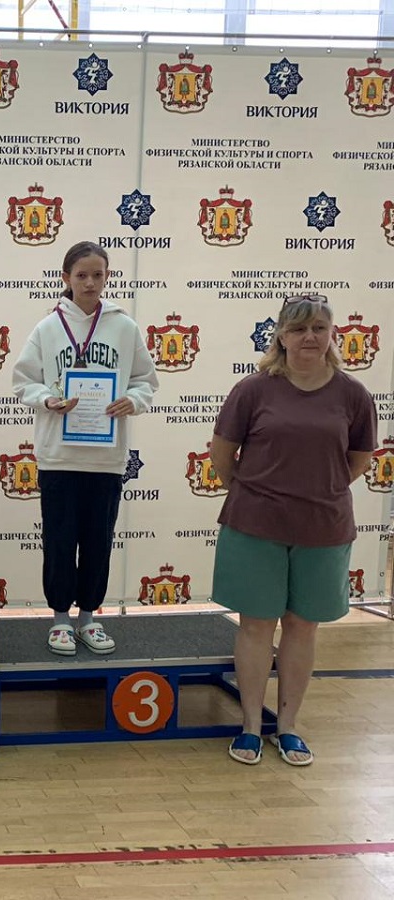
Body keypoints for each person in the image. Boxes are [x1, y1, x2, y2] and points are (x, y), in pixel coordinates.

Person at [212, 294, 376, 767]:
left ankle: (287, 727)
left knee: (303, 627)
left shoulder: (353, 395)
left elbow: (359, 459)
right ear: (281, 336)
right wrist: (259, 496)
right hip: (255, 526)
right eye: (299, 329)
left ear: (331, 335)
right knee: (256, 625)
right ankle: (250, 726)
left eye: (319, 328)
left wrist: (317, 490)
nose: (309, 337)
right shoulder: (253, 390)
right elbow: (222, 456)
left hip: (323, 529)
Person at [11, 241, 158, 656]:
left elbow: (145, 380)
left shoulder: (124, 327)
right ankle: (60, 619)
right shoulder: (47, 328)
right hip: (58, 455)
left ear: (107, 277)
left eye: (98, 275)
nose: (90, 283)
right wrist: (48, 399)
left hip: (106, 458)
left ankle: (89, 618)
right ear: (66, 278)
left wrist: (133, 400)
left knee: (98, 541)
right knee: (59, 540)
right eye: (81, 275)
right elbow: (23, 381)